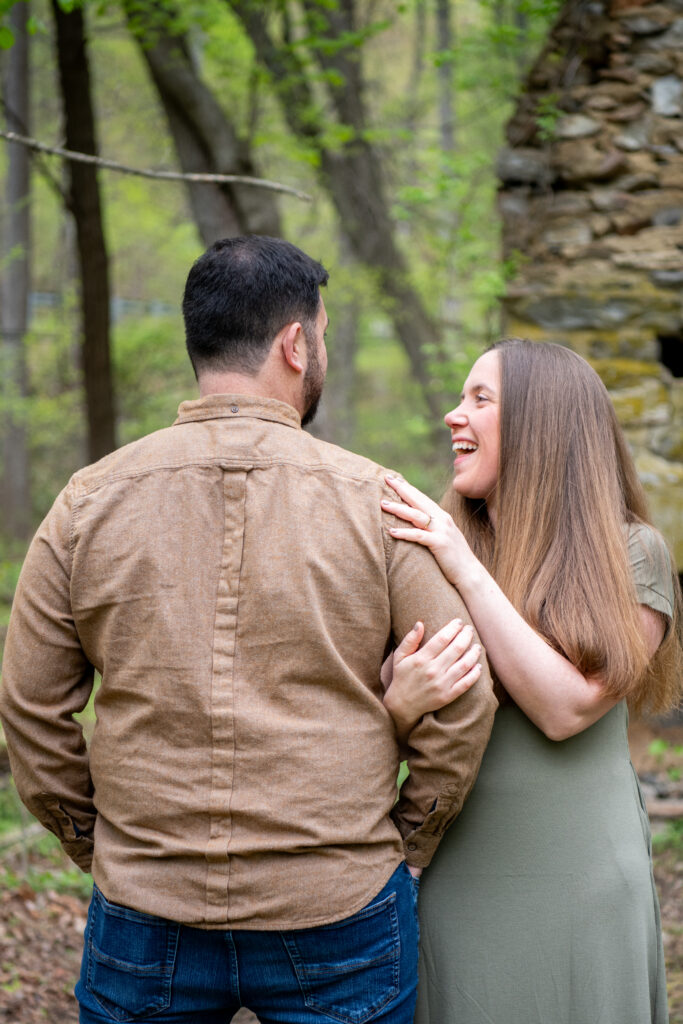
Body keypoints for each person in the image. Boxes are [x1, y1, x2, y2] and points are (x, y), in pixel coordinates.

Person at [0, 236, 497, 1024]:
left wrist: (99, 849)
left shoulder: (86, 502)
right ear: (295, 344)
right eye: (324, 334)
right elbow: (464, 697)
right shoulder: (378, 502)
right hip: (339, 905)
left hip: (145, 906)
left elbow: (29, 709)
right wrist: (403, 844)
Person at [379, 338, 682, 1024]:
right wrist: (397, 707)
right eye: (459, 398)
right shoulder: (431, 552)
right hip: (453, 872)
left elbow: (565, 706)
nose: (453, 416)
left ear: (542, 424)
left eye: (479, 399)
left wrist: (459, 565)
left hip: (583, 881)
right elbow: (369, 729)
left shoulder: (632, 553)